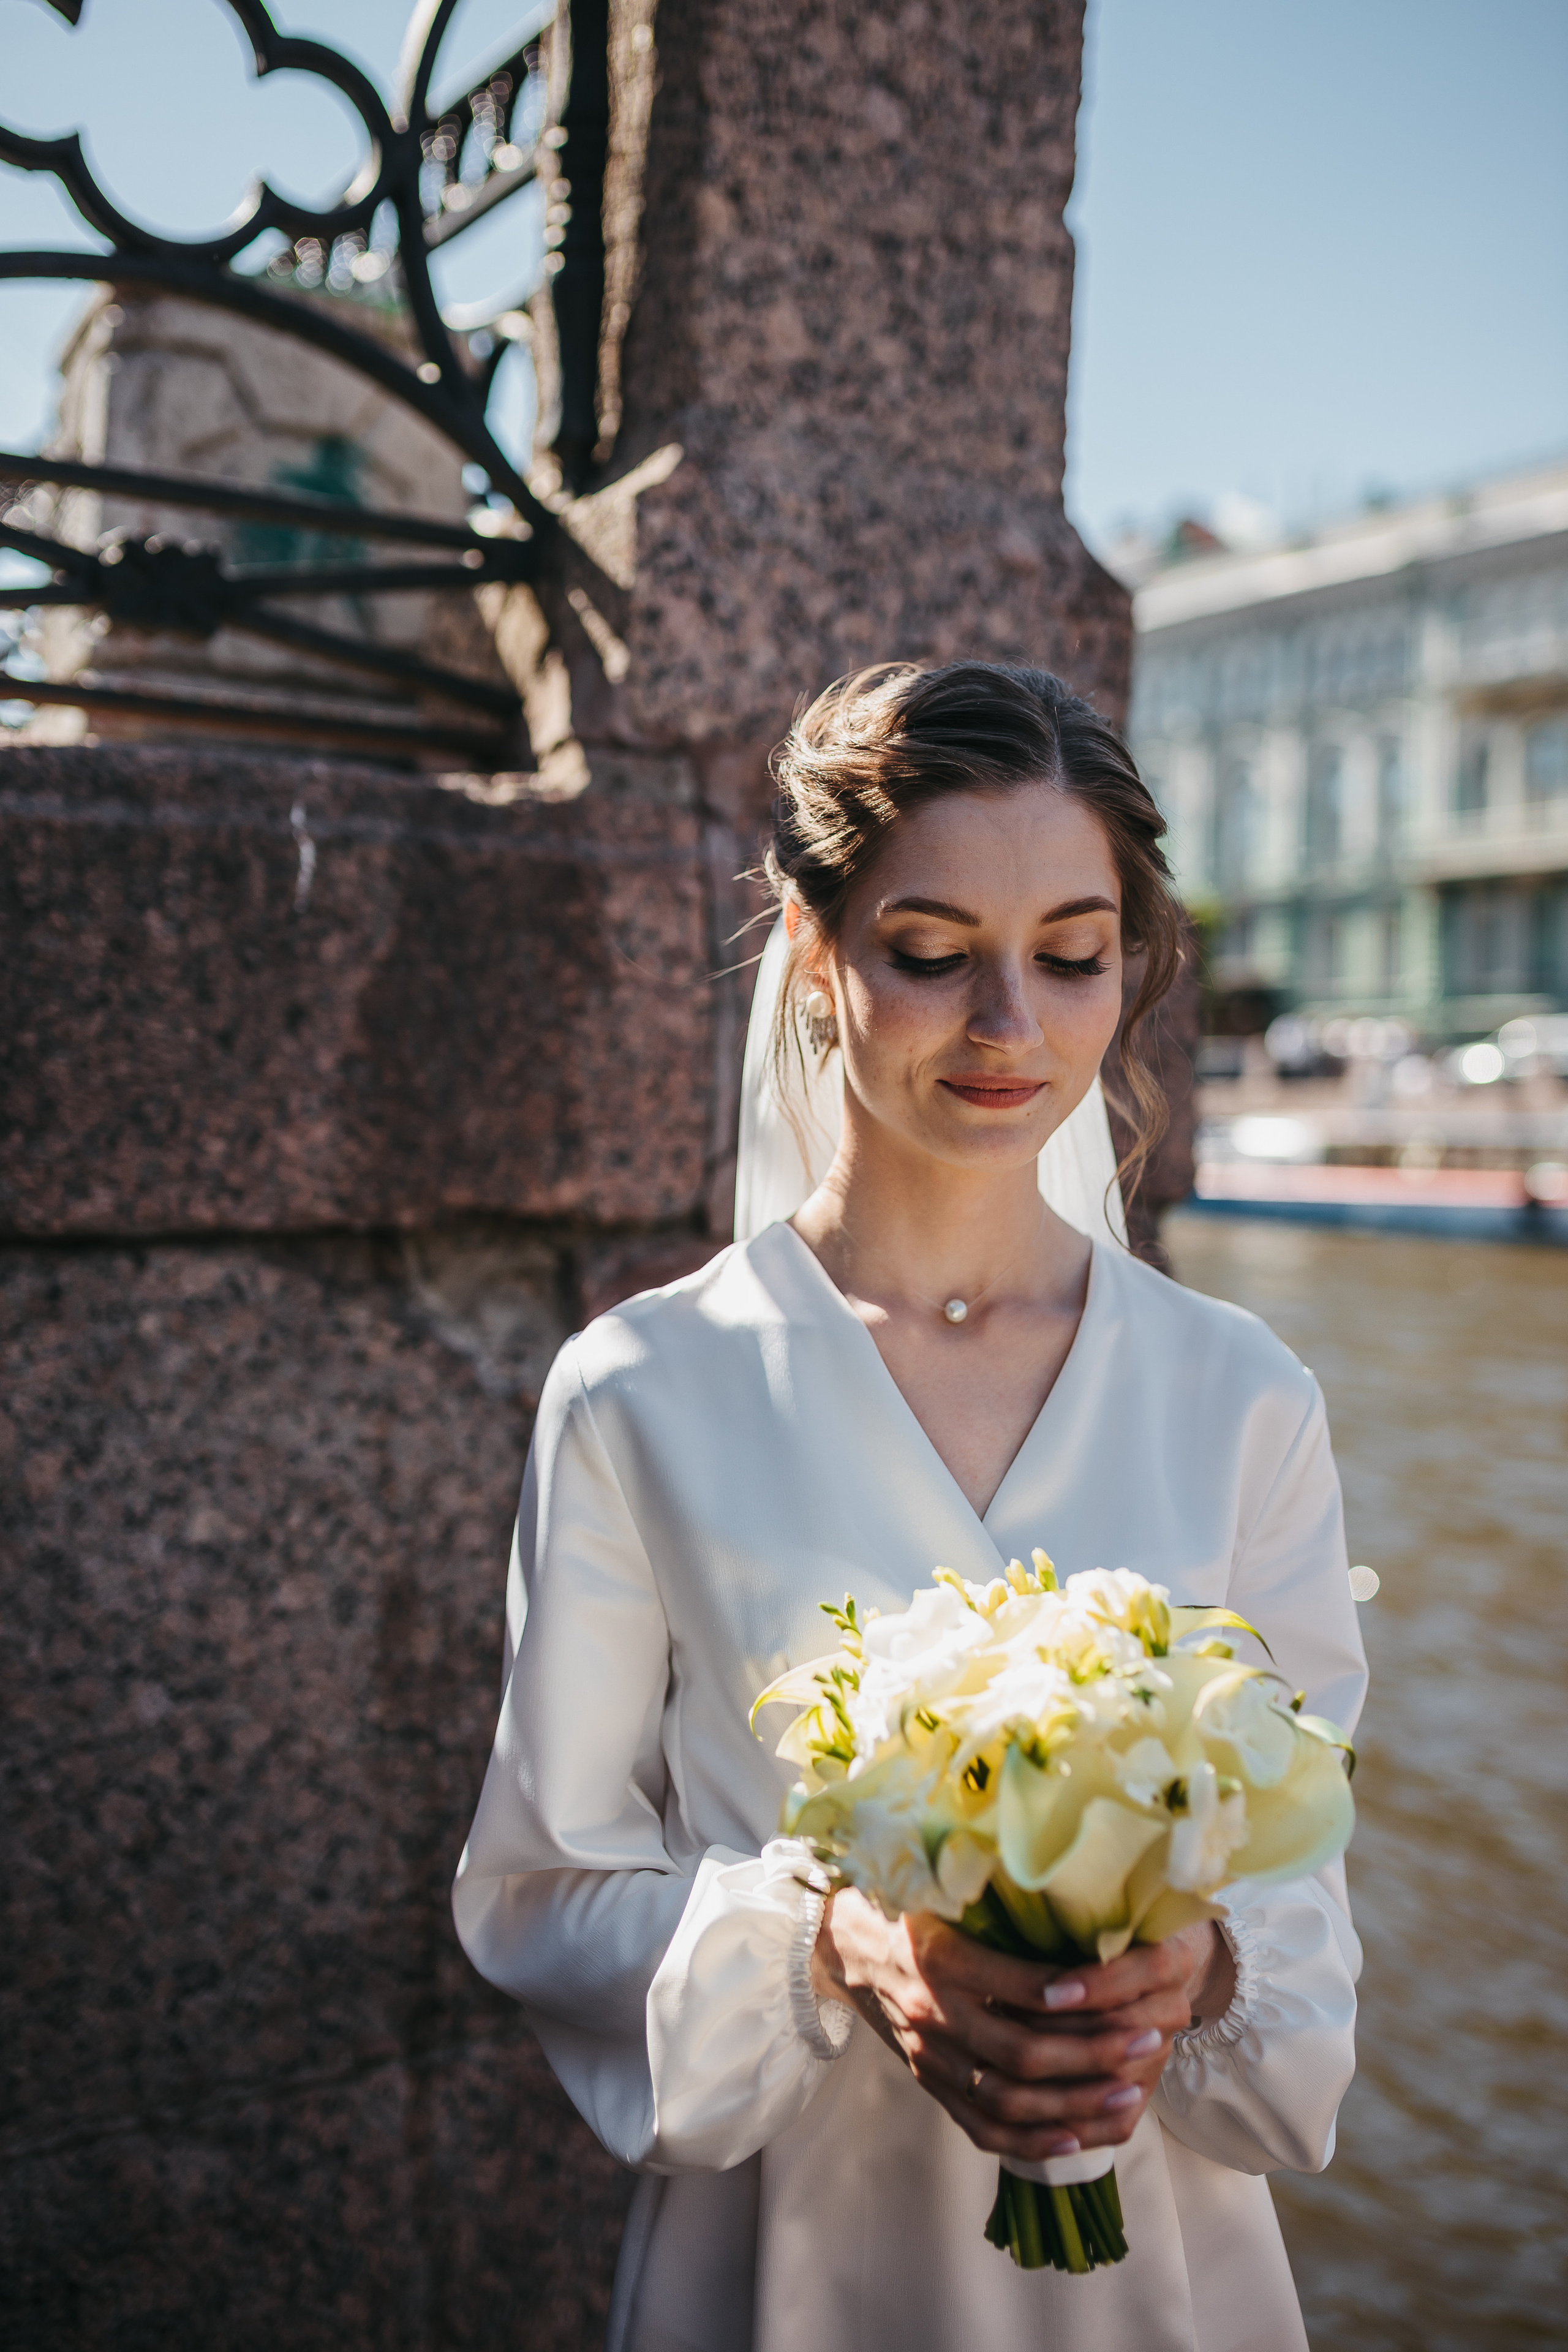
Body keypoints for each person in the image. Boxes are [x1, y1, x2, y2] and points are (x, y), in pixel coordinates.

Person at [453, 663, 1366, 2352]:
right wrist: (833, 1946)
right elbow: (544, 1893)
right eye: (933, 954)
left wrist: (1209, 1972)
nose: (1011, 1026)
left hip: (1161, 2275)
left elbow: (1308, 1879)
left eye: (1073, 954)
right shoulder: (643, 1390)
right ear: (814, 949)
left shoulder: (1245, 1399)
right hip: (787, 2266)